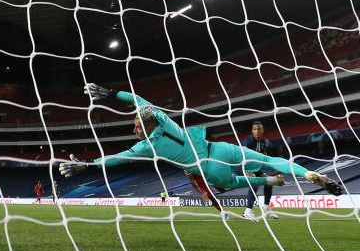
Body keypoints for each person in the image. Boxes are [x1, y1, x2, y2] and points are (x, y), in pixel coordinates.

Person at [59, 84, 343, 196]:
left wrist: (89, 165)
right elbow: (137, 100)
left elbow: (115, 159)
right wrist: (111, 94)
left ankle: (269, 181)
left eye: (136, 126)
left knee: (230, 183)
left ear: (145, 127)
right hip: (219, 148)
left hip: (207, 167)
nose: (134, 130)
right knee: (269, 159)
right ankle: (306, 174)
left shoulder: (146, 146)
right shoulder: (161, 118)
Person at [242, 121, 278, 221]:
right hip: (242, 166)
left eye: (259, 129)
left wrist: (275, 169)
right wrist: (246, 171)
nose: (257, 131)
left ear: (263, 131)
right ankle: (248, 211)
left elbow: (268, 156)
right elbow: (241, 156)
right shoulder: (248, 141)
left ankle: (266, 207)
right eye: (255, 129)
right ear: (252, 131)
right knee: (255, 183)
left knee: (269, 181)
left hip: (255, 168)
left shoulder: (264, 142)